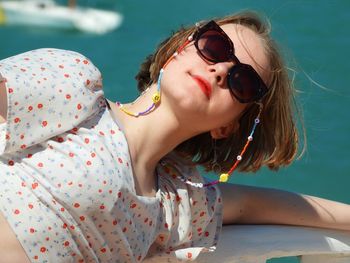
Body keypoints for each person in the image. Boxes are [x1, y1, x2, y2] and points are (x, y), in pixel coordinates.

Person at [0, 10, 349, 263]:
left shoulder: (177, 204)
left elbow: (258, 206)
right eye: (215, 46)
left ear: (227, 126)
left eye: (243, 82)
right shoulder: (74, 86)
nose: (221, 70)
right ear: (177, 50)